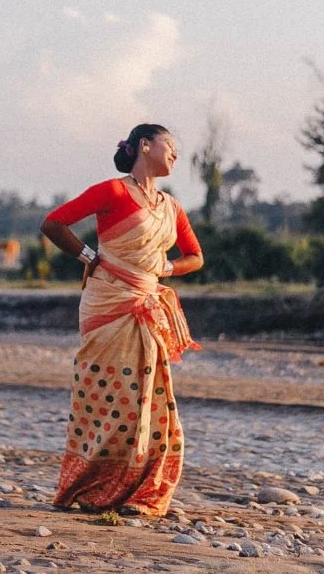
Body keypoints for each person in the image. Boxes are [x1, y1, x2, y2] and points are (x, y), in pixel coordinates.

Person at [41, 123, 204, 516]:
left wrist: (165, 267)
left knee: (148, 397)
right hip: (107, 303)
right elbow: (53, 223)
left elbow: (195, 256)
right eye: (169, 145)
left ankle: (139, 489)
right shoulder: (113, 191)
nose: (175, 154)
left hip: (146, 304)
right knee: (105, 396)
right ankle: (90, 486)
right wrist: (89, 257)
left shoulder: (171, 207)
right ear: (144, 145)